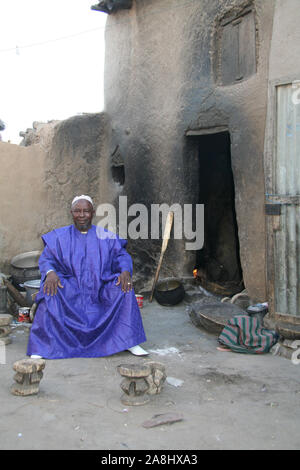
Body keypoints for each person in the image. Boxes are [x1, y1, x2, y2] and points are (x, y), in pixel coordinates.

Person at [27, 195, 148, 359]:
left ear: (93, 212)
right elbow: (47, 259)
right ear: (71, 212)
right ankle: (42, 346)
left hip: (100, 289)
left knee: (123, 288)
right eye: (77, 211)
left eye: (86, 211)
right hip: (70, 289)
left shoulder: (106, 236)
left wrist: (125, 270)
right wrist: (50, 273)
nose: (82, 215)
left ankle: (129, 340)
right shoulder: (59, 237)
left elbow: (122, 256)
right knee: (50, 291)